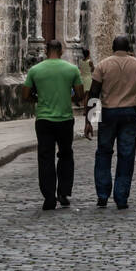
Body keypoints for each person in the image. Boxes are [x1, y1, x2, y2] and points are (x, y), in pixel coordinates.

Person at [84, 36, 136, 209]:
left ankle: (102, 195)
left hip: (108, 112)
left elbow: (94, 93)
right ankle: (121, 197)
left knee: (103, 153)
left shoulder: (103, 65)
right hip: (130, 113)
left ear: (112, 47)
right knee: (126, 155)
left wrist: (89, 120)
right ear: (129, 47)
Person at [22, 40, 84, 211]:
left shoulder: (35, 70)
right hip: (64, 118)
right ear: (62, 50)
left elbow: (25, 95)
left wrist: (39, 98)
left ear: (45, 50)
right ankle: (63, 193)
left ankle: (49, 196)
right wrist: (67, 97)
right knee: (65, 155)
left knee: (45, 157)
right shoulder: (72, 70)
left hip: (43, 119)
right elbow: (79, 94)